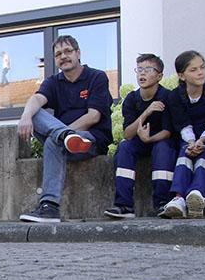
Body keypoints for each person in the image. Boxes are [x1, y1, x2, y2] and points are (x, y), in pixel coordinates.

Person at [17, 35, 113, 223]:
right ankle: (64, 136)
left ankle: (49, 207)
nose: (64, 56)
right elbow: (37, 99)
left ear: (78, 53)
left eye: (68, 51)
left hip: (89, 139)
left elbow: (94, 116)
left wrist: (66, 133)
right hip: (65, 141)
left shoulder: (96, 77)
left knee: (54, 141)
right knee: (34, 111)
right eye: (58, 54)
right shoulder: (54, 82)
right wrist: (25, 116)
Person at [104, 54, 175, 219]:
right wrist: (147, 111)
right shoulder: (131, 99)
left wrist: (149, 138)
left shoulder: (167, 96)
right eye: (140, 69)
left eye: (148, 70)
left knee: (163, 148)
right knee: (124, 147)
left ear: (159, 76)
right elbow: (128, 134)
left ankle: (162, 204)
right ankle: (124, 205)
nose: (142, 74)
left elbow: (169, 131)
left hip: (161, 139)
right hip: (139, 141)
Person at [159, 51, 205, 218]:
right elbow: (182, 123)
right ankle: (179, 198)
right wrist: (191, 142)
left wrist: (202, 140)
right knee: (184, 155)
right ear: (182, 75)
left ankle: (197, 194)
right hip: (187, 137)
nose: (200, 72)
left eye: (202, 67)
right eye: (193, 69)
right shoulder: (175, 96)